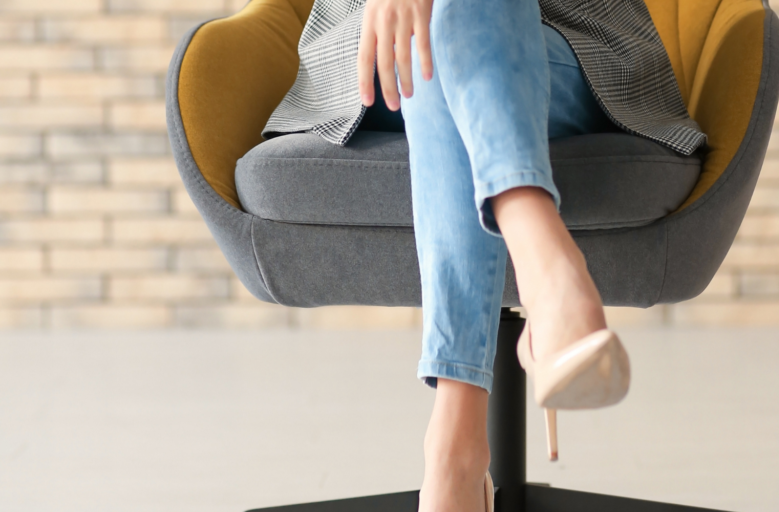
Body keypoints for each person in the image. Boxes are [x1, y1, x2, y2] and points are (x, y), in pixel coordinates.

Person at [263, 0, 706, 510]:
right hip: (375, 51)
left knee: (445, 27)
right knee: (431, 34)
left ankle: (456, 452)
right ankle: (548, 273)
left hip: (568, 48)